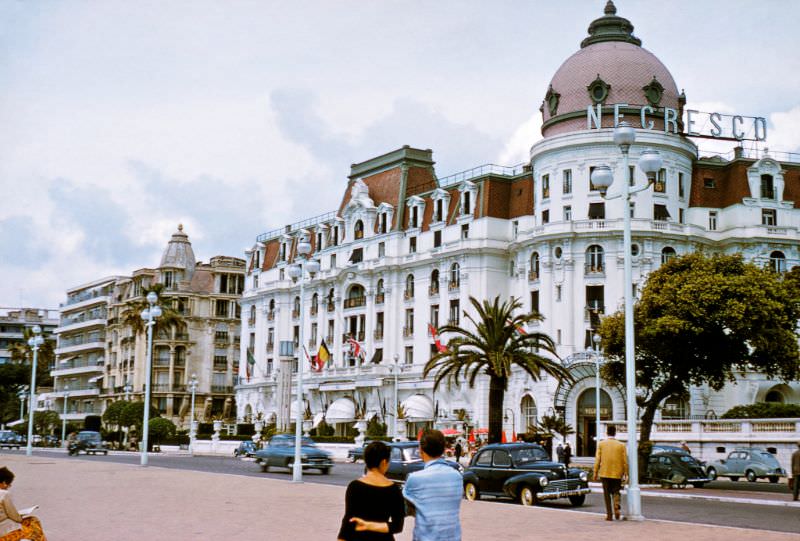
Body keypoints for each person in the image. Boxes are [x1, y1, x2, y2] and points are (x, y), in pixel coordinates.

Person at [338, 441, 405, 540]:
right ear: (383, 462)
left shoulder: (355, 486)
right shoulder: (394, 489)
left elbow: (348, 521)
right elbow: (397, 526)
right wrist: (371, 525)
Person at [403, 429, 462, 541]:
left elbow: (405, 510)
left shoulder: (415, 478)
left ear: (421, 450)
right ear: (444, 449)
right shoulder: (457, 477)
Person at [0, 466, 47, 541]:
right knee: (33, 521)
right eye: (9, 484)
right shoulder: (4, 494)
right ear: (4, 482)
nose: (9, 486)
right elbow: (13, 515)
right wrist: (20, 516)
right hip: (3, 530)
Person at [593, 425, 628, 521]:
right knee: (616, 491)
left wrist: (595, 472)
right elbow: (625, 460)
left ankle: (609, 515)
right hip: (617, 473)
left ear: (607, 433)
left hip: (605, 472)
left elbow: (597, 460)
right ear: (615, 433)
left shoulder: (601, 444)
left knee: (607, 494)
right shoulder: (621, 445)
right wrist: (626, 472)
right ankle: (616, 504)